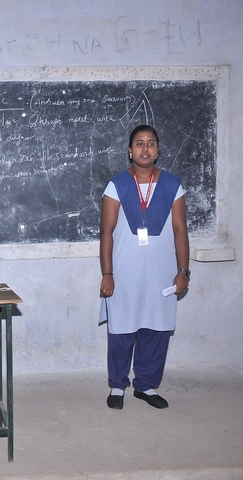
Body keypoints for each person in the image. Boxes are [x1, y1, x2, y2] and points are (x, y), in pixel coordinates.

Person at [99, 124, 190, 410]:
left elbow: (180, 230)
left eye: (151, 143)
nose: (145, 148)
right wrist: (107, 274)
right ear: (130, 151)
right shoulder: (116, 186)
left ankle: (146, 386)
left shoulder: (173, 186)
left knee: (156, 328)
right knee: (122, 330)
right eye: (139, 143)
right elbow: (106, 232)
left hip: (160, 272)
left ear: (158, 150)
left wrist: (183, 271)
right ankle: (117, 385)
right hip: (124, 272)